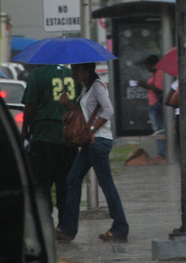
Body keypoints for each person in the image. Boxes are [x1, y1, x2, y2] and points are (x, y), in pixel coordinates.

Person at [56, 62, 129, 243]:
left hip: (99, 141)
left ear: (86, 70)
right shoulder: (85, 88)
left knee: (106, 184)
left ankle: (120, 227)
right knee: (73, 179)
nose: (73, 73)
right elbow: (84, 114)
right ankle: (67, 228)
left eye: (75, 70)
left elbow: (108, 110)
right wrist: (69, 104)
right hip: (90, 143)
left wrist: (92, 130)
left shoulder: (97, 87)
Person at [20, 64, 77, 227]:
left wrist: (25, 131)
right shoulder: (73, 75)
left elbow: (30, 106)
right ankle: (66, 225)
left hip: (43, 136)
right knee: (65, 183)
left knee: (42, 184)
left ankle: (46, 223)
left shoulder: (38, 74)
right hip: (68, 138)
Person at [136, 54, 165, 159]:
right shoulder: (154, 74)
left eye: (148, 66)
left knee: (159, 130)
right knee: (157, 129)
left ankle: (162, 153)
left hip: (157, 104)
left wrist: (145, 85)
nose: (147, 69)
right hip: (153, 104)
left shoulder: (159, 73)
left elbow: (159, 89)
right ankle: (161, 152)